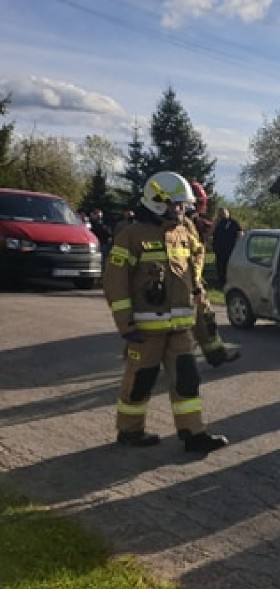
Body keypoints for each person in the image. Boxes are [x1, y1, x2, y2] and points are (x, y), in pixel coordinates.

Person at [102, 171, 229, 453]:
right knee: (141, 380)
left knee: (187, 380)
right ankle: (130, 431)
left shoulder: (185, 233)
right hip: (145, 330)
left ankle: (193, 434)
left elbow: (195, 281)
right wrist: (126, 325)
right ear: (157, 202)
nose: (180, 210)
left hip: (181, 328)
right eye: (175, 204)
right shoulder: (131, 236)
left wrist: (209, 335)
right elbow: (115, 283)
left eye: (182, 205)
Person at [185, 182, 240, 368]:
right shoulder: (181, 224)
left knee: (205, 319)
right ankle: (174, 362)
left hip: (193, 282)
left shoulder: (190, 221)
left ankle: (216, 355)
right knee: (182, 326)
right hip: (181, 284)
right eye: (201, 201)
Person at [211, 207, 242, 287]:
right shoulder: (217, 223)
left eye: (224, 213)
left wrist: (238, 246)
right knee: (220, 267)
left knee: (228, 267)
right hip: (219, 250)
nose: (222, 215)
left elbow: (240, 234)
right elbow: (210, 232)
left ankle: (230, 283)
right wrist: (214, 224)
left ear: (228, 213)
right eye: (220, 213)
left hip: (230, 249)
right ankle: (221, 283)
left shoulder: (233, 222)